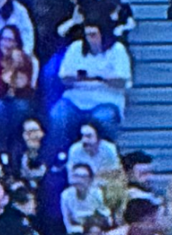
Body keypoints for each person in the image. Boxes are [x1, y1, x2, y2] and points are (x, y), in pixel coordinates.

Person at [51, 20, 132, 148]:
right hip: (76, 99)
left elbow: (122, 81)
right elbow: (63, 77)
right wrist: (79, 77)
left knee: (103, 118)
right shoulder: (75, 48)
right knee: (57, 115)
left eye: (93, 34)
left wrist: (100, 78)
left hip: (106, 100)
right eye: (87, 34)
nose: (90, 39)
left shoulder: (117, 50)